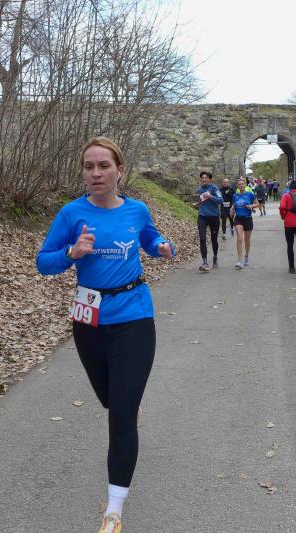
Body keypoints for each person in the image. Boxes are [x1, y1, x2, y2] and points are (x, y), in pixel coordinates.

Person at [36, 137, 175, 533]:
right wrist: (71, 254)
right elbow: (43, 263)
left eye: (103, 166)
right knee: (111, 401)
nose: (96, 173)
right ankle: (126, 406)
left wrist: (162, 246)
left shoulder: (136, 209)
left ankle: (113, 512)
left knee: (121, 415)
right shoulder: (71, 213)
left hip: (134, 316)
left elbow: (149, 238)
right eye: (89, 166)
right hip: (90, 320)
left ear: (119, 170)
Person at [193, 171, 223, 271]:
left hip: (214, 216)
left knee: (214, 239)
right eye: (202, 178)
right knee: (202, 239)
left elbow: (221, 200)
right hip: (202, 216)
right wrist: (197, 203)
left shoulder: (214, 188)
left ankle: (215, 257)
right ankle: (205, 262)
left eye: (206, 178)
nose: (204, 179)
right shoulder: (200, 189)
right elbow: (202, 200)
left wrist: (210, 196)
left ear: (210, 179)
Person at [230, 177, 258, 269]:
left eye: (243, 184)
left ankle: (246, 255)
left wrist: (251, 206)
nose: (241, 185)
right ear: (237, 186)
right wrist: (232, 209)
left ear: (245, 185)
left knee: (247, 240)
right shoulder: (235, 196)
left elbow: (257, 204)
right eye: (239, 184)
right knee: (239, 238)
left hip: (248, 219)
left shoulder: (250, 194)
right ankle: (239, 261)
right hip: (238, 219)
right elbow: (234, 205)